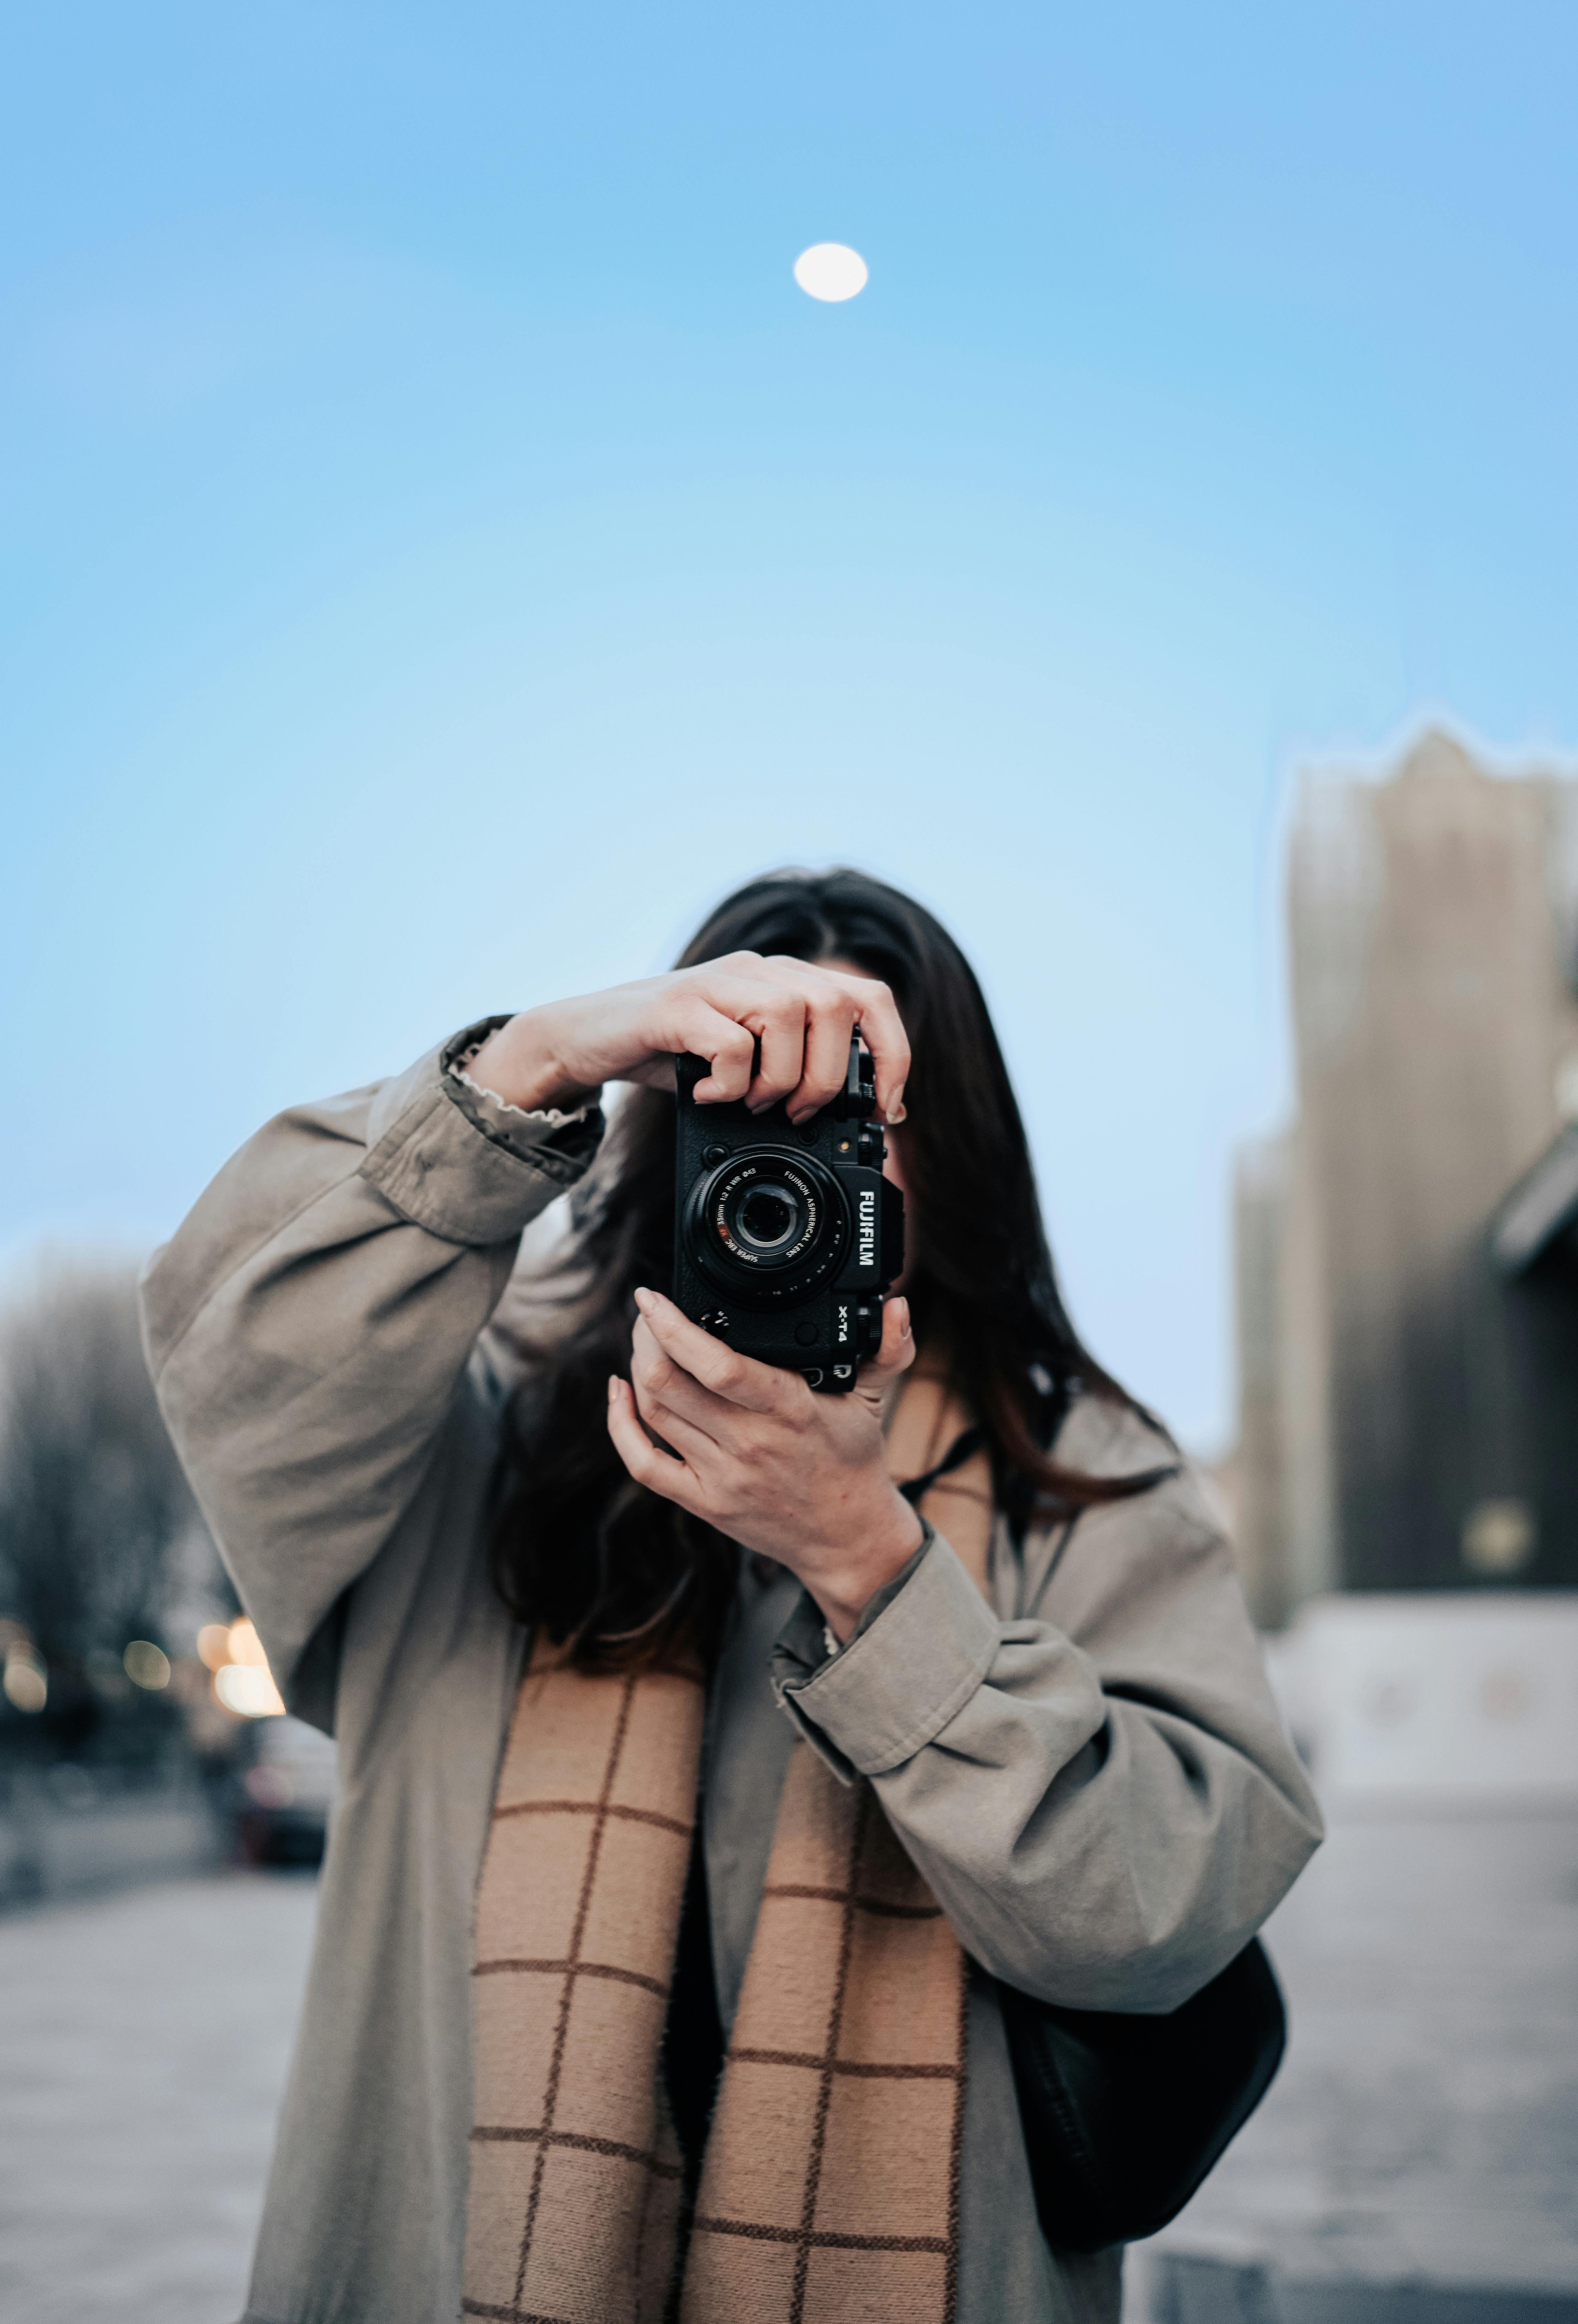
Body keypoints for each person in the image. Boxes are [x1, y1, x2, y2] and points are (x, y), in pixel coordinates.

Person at [142, 868, 1321, 2324]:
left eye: (852, 1116)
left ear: (944, 1153)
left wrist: (871, 1566)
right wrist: (530, 1064)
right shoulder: (477, 1425)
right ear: (659, 1126)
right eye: (736, 1104)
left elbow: (1160, 1909)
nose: (790, 1163)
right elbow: (230, 1354)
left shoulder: (1082, 1475)